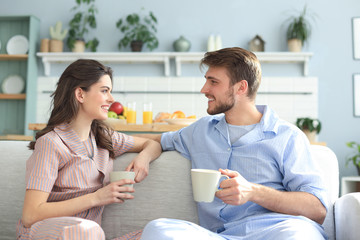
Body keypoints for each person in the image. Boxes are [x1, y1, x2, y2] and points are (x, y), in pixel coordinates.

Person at [138, 47, 328, 240]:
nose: (204, 89)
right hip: (218, 236)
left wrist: (254, 192)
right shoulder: (200, 130)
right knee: (157, 230)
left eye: (213, 82)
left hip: (276, 231)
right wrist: (145, 154)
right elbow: (156, 140)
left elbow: (318, 209)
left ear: (241, 88)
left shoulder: (288, 137)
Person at [16, 59, 162, 240]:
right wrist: (97, 198)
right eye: (104, 91)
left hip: (91, 235)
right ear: (80, 94)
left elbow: (154, 142)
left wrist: (144, 158)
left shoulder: (104, 138)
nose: (111, 98)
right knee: (85, 231)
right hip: (49, 233)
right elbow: (31, 215)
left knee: (161, 232)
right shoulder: (51, 144)